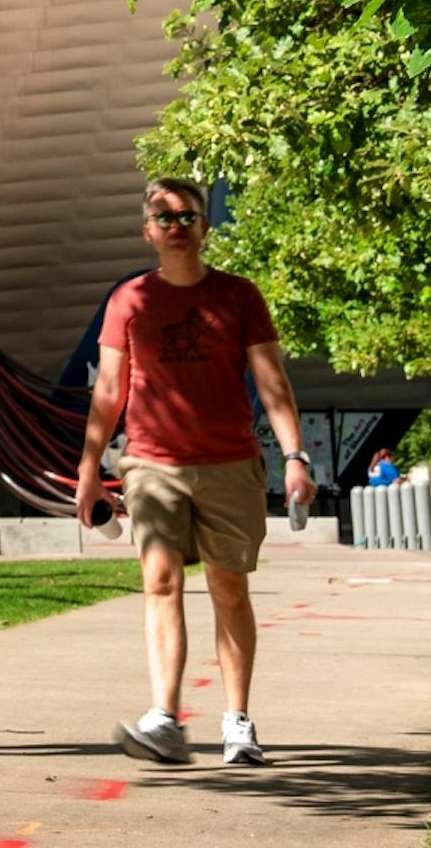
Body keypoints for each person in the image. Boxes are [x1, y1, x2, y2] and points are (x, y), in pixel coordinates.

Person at [76, 177, 315, 767]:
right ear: (147, 232)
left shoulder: (238, 296)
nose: (176, 227)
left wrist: (295, 455)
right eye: (164, 218)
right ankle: (164, 718)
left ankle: (237, 721)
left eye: (187, 217)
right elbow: (108, 390)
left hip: (229, 463)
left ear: (205, 228)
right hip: (152, 463)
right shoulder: (129, 300)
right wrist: (88, 471)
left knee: (229, 588)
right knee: (160, 581)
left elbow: (272, 383)